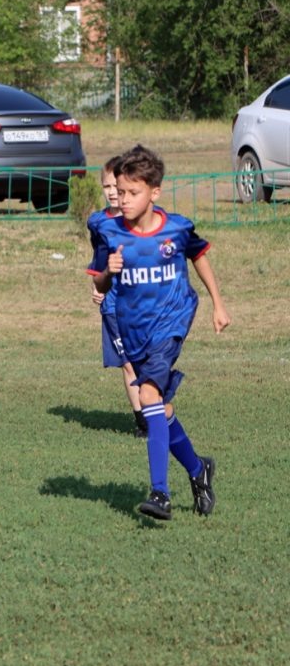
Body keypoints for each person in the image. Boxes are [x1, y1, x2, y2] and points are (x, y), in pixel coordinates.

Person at [88, 145, 230, 520]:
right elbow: (99, 284)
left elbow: (199, 255)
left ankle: (160, 493)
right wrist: (108, 273)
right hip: (133, 327)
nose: (123, 199)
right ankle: (198, 469)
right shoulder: (106, 230)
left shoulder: (176, 228)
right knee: (159, 410)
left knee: (147, 393)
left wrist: (218, 303)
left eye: (132, 193)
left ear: (155, 192)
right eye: (119, 191)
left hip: (171, 322)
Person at [88, 156, 146, 437]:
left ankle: (157, 413)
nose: (112, 192)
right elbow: (98, 262)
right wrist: (96, 285)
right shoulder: (98, 222)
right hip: (113, 305)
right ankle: (143, 423)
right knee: (127, 363)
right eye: (106, 187)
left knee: (146, 362)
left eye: (117, 187)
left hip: (140, 304)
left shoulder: (138, 218)